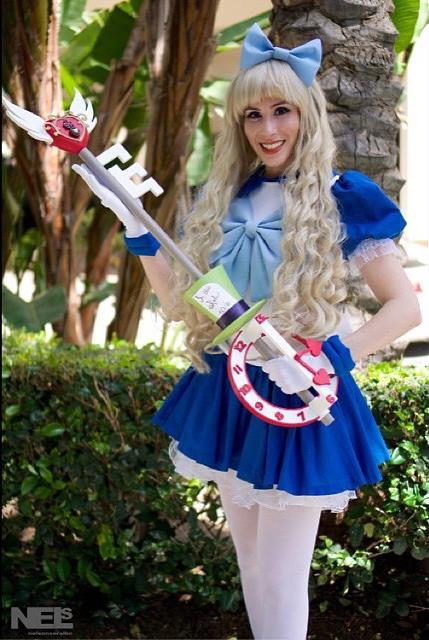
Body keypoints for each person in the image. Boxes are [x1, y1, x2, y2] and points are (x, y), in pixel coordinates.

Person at [74, 23, 421, 640]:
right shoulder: (226, 197)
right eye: (253, 115)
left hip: (298, 392)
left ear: (306, 113)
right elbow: (183, 300)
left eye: (281, 110)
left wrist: (329, 359)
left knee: (283, 575)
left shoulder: (346, 196)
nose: (267, 129)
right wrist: (136, 227)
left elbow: (404, 309)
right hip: (230, 387)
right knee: (253, 566)